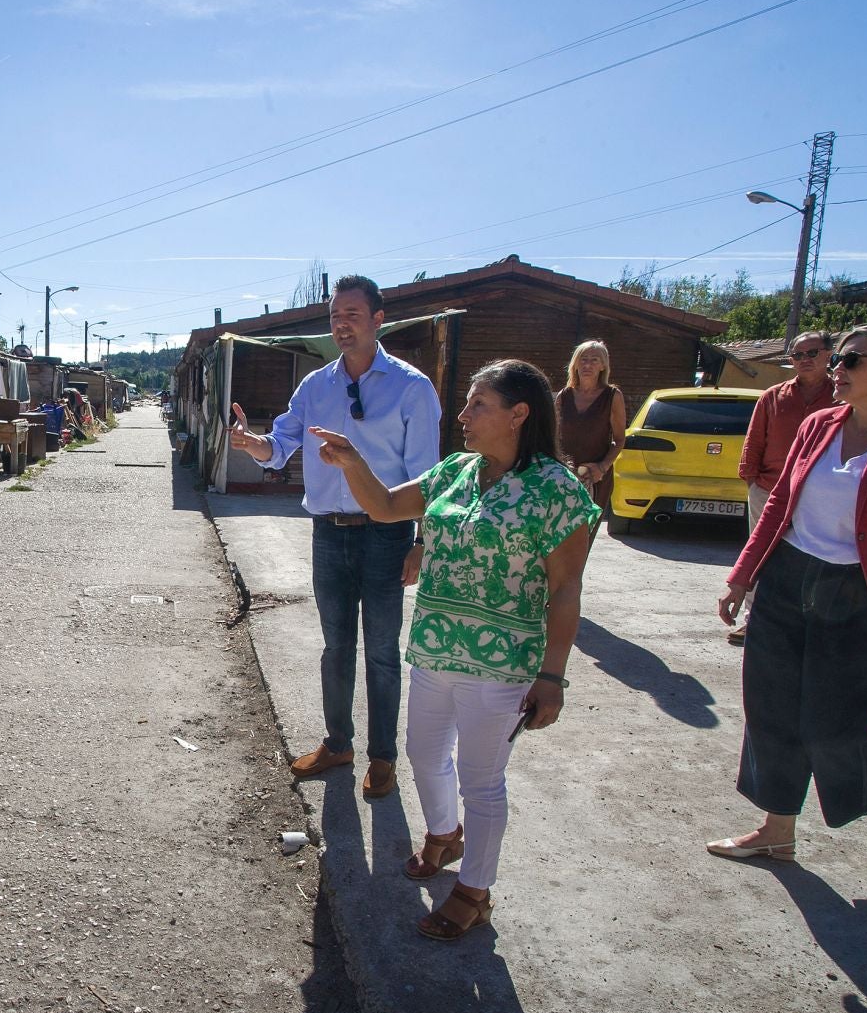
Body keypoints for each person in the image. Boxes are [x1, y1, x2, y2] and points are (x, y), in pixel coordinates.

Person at [311, 360, 597, 940]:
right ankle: (443, 836)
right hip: (437, 648)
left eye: (477, 405)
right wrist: (354, 463)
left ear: (519, 414)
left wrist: (553, 676)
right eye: (466, 404)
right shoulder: (457, 473)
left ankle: (475, 888)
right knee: (422, 753)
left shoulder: (556, 490)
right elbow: (387, 507)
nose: (463, 416)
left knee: (482, 780)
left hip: (503, 662)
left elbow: (566, 589)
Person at [710, 320, 867, 884]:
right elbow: (779, 503)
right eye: (839, 360)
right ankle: (777, 829)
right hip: (787, 580)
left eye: (852, 361)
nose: (837, 370)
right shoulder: (819, 424)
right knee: (770, 708)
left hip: (861, 593)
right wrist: (742, 577)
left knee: (837, 726)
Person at [229, 275, 442, 799]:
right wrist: (252, 444)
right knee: (336, 646)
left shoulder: (412, 387)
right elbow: (280, 445)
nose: (341, 324)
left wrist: (422, 541)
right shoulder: (315, 387)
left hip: (388, 535)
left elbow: (427, 478)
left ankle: (383, 756)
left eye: (351, 314)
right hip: (329, 533)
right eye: (334, 316)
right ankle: (338, 742)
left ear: (377, 319)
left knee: (383, 652)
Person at [731, 330, 837, 645]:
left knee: (814, 557)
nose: (804, 360)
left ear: (828, 354)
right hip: (769, 488)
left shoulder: (841, 397)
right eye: (797, 355)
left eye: (812, 353)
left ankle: (808, 624)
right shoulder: (773, 396)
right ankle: (753, 621)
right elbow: (754, 442)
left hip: (820, 494)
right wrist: (753, 481)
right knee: (760, 554)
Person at [553, 340, 626, 536]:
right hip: (564, 476)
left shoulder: (612, 396)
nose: (588, 365)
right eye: (583, 359)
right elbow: (553, 437)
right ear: (575, 364)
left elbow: (620, 440)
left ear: (603, 366)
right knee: (557, 535)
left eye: (595, 360)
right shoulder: (564, 396)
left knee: (583, 535)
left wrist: (602, 467)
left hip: (595, 479)